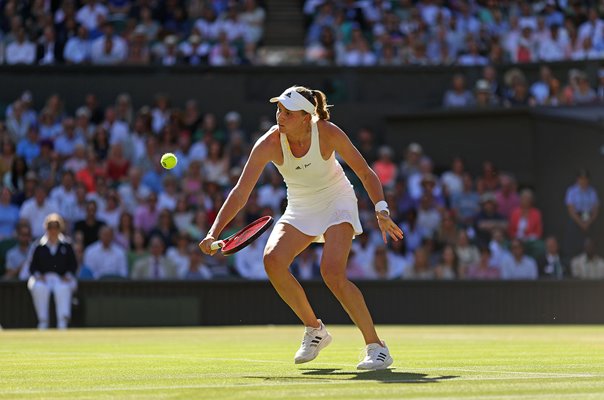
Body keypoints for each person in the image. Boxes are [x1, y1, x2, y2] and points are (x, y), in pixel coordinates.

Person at [199, 85, 403, 370]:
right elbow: (240, 192)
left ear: (306, 117)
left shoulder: (328, 132)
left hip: (337, 201)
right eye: (279, 110)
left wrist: (381, 210)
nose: (279, 116)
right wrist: (213, 233)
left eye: (288, 112)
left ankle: (377, 347)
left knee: (332, 272)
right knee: (272, 260)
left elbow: (365, 173)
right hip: (300, 205)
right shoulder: (269, 142)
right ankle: (315, 329)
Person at [25, 213, 78, 329]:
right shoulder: (38, 246)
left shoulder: (67, 245)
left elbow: (73, 265)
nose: (53, 230)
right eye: (50, 227)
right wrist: (39, 276)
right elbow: (32, 266)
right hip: (44, 279)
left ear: (60, 228)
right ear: (46, 228)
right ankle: (43, 322)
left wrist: (67, 275)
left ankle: (62, 323)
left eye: (56, 227)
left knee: (63, 288)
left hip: (61, 279)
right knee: (39, 287)